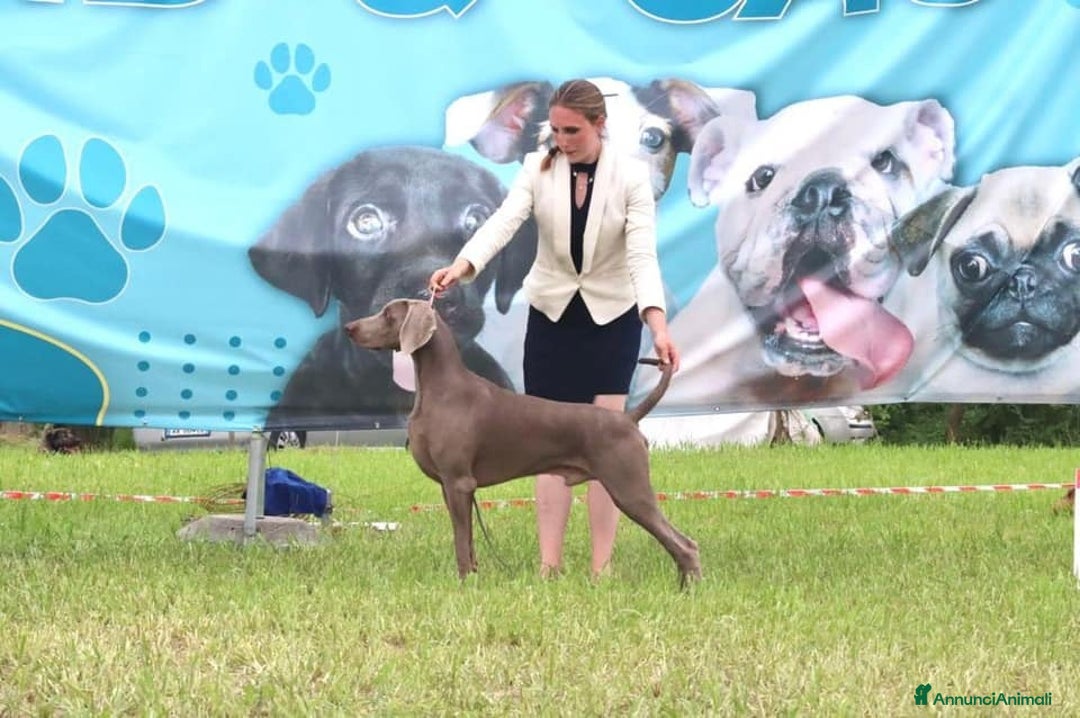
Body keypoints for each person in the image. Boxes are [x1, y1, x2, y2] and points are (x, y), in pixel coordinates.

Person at [429, 78, 679, 579]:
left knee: (607, 444)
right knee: (547, 444)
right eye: (556, 131)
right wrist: (462, 265)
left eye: (572, 132)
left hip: (612, 318)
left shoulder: (631, 177)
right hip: (551, 315)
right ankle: (549, 565)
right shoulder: (534, 168)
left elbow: (641, 255)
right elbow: (503, 222)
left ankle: (602, 567)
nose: (561, 141)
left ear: (599, 126)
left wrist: (657, 323)